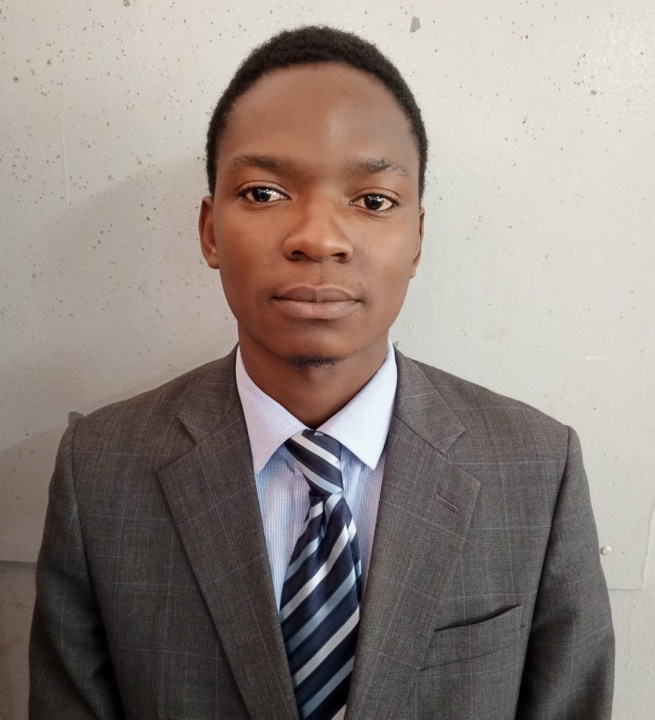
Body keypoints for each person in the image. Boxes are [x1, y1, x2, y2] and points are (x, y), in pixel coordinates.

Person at [29, 25, 614, 720]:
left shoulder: (536, 469)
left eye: (373, 201)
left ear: (417, 237)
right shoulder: (99, 473)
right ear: (210, 231)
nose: (318, 238)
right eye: (264, 193)